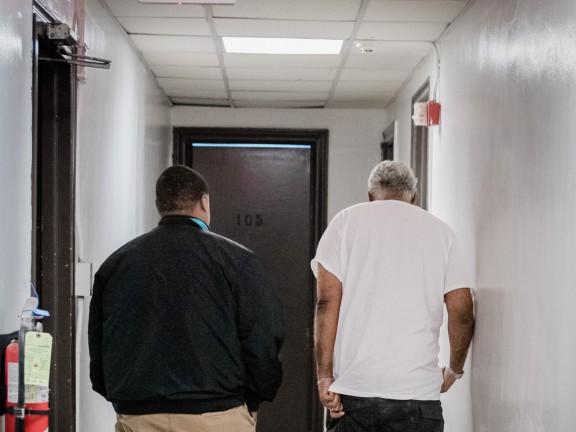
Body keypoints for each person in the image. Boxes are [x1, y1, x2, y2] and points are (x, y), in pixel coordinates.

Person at [89, 165, 284, 432]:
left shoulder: (116, 264)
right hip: (218, 416)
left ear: (159, 205)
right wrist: (255, 398)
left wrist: (124, 400)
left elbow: (99, 345)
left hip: (138, 416)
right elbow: (264, 337)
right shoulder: (237, 261)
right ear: (204, 201)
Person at [311, 161, 474, 432]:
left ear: (370, 196)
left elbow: (326, 303)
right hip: (419, 399)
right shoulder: (442, 233)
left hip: (355, 395)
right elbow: (462, 310)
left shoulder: (344, 223)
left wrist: (324, 377)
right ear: (414, 196)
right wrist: (454, 370)